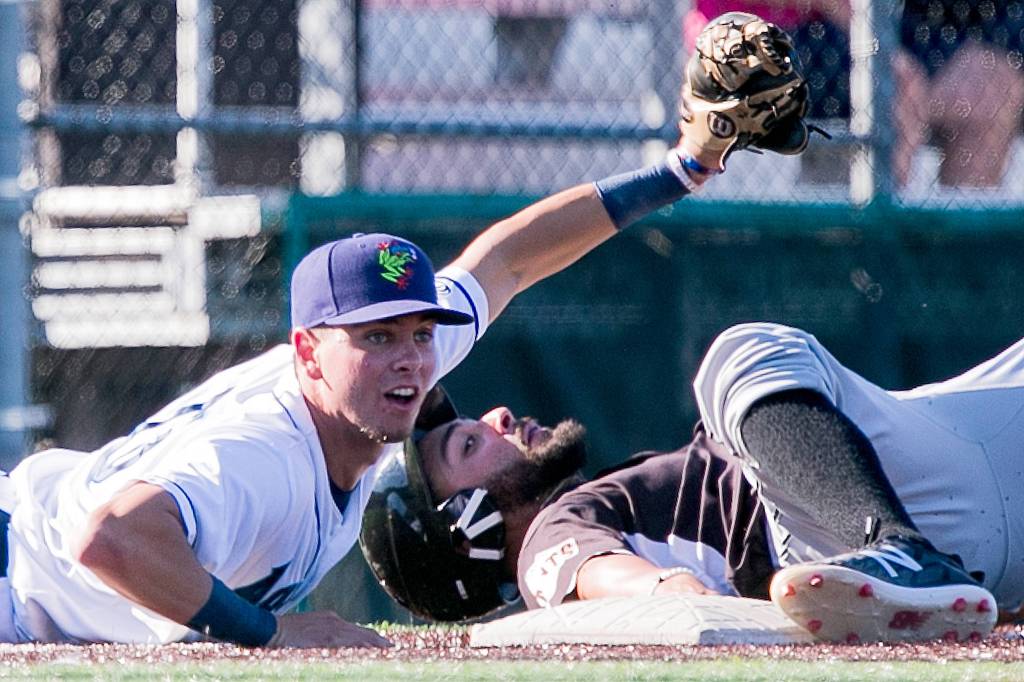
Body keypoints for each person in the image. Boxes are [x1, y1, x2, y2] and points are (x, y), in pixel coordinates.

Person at [362, 319, 1024, 644]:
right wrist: (677, 595)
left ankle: (913, 562)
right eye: (469, 443)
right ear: (464, 536)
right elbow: (659, 598)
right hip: (849, 532)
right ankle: (899, 553)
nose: (496, 415)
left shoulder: (584, 512)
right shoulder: (547, 543)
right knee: (740, 358)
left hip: (956, 524)